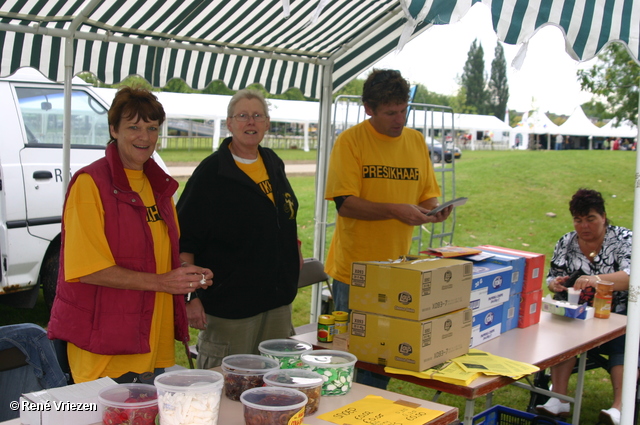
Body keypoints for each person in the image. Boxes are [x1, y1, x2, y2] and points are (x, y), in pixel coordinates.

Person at [47, 87, 213, 384]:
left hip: (150, 341)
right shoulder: (90, 183)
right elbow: (87, 269)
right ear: (114, 130)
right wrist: (163, 282)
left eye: (152, 128)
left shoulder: (158, 185)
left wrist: (186, 277)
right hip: (105, 347)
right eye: (133, 127)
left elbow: (158, 256)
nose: (145, 137)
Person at [324, 69, 452, 388]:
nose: (399, 119)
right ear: (369, 109)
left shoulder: (416, 141)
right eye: (390, 112)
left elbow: (426, 194)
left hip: (399, 269)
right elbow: (345, 203)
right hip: (356, 271)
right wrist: (396, 210)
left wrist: (435, 210)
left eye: (403, 109)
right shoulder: (350, 141)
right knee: (351, 359)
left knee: (383, 359)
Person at [177, 89, 301, 368]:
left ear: (267, 124)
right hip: (231, 310)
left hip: (277, 303)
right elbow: (184, 241)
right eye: (242, 116)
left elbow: (283, 216)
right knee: (228, 388)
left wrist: (292, 250)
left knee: (275, 387)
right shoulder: (212, 173)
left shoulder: (273, 162)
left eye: (257, 116)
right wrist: (190, 297)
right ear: (229, 123)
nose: (250, 122)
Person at [536, 188, 633, 425]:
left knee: (624, 344)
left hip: (620, 314)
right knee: (563, 333)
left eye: (590, 219)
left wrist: (595, 279)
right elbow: (552, 278)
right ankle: (559, 398)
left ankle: (619, 408)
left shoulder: (624, 239)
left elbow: (632, 277)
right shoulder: (566, 242)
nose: (584, 226)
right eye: (578, 220)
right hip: (577, 314)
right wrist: (555, 284)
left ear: (603, 217)